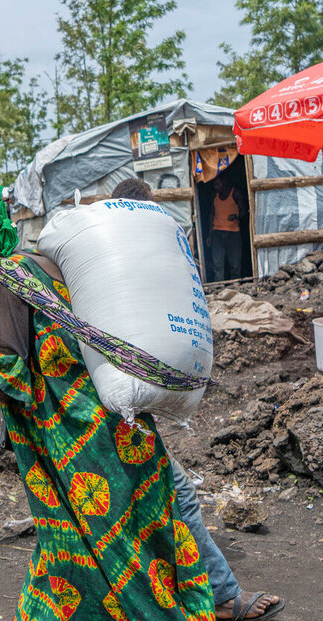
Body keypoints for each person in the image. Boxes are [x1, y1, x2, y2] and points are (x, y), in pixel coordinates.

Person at [0, 180, 215, 620]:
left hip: (88, 460)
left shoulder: (14, 279)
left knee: (106, 580)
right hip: (128, 440)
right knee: (144, 568)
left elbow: (8, 386)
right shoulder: (49, 266)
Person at [110, 178, 284, 621]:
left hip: (120, 406)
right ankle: (223, 598)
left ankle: (204, 594)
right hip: (110, 412)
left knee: (156, 500)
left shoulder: (114, 261)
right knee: (177, 495)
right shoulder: (122, 260)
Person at [208, 175, 246, 282]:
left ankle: (235, 286)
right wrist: (209, 234)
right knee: (218, 263)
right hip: (217, 233)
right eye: (215, 184)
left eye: (218, 184)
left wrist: (236, 216)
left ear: (225, 182)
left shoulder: (235, 193)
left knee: (235, 263)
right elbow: (211, 215)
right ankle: (219, 287)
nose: (216, 187)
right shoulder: (214, 195)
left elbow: (244, 211)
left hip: (233, 233)